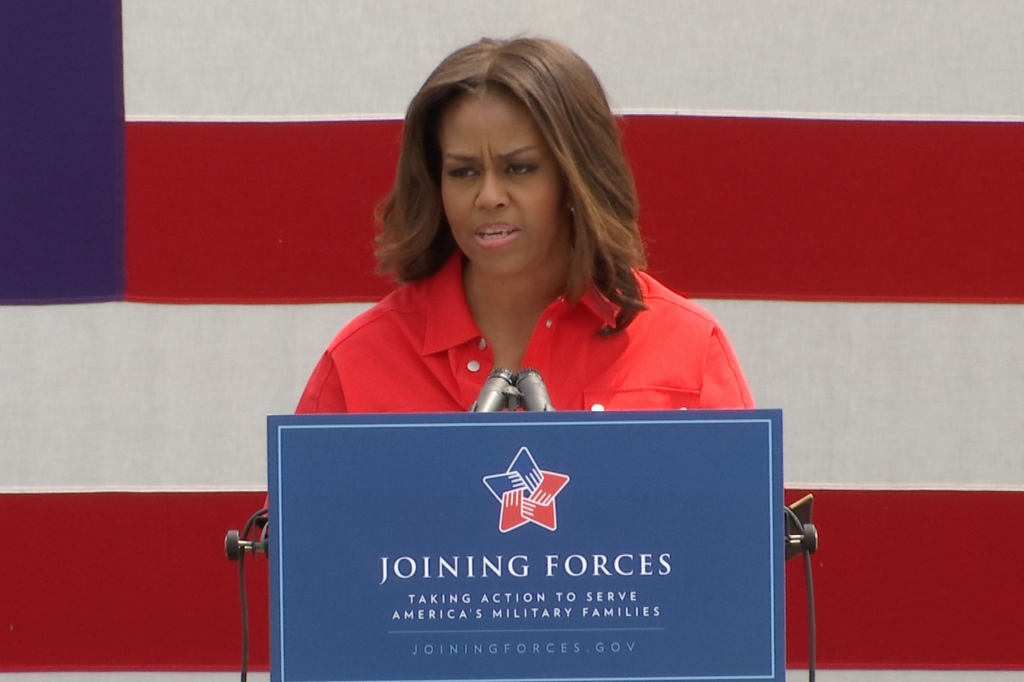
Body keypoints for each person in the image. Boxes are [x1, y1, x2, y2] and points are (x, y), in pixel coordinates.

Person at [296, 37, 753, 414]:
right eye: (463, 171)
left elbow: (739, 522)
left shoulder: (687, 349)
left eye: (519, 169)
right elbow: (301, 524)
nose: (489, 196)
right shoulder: (360, 360)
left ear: (577, 180)